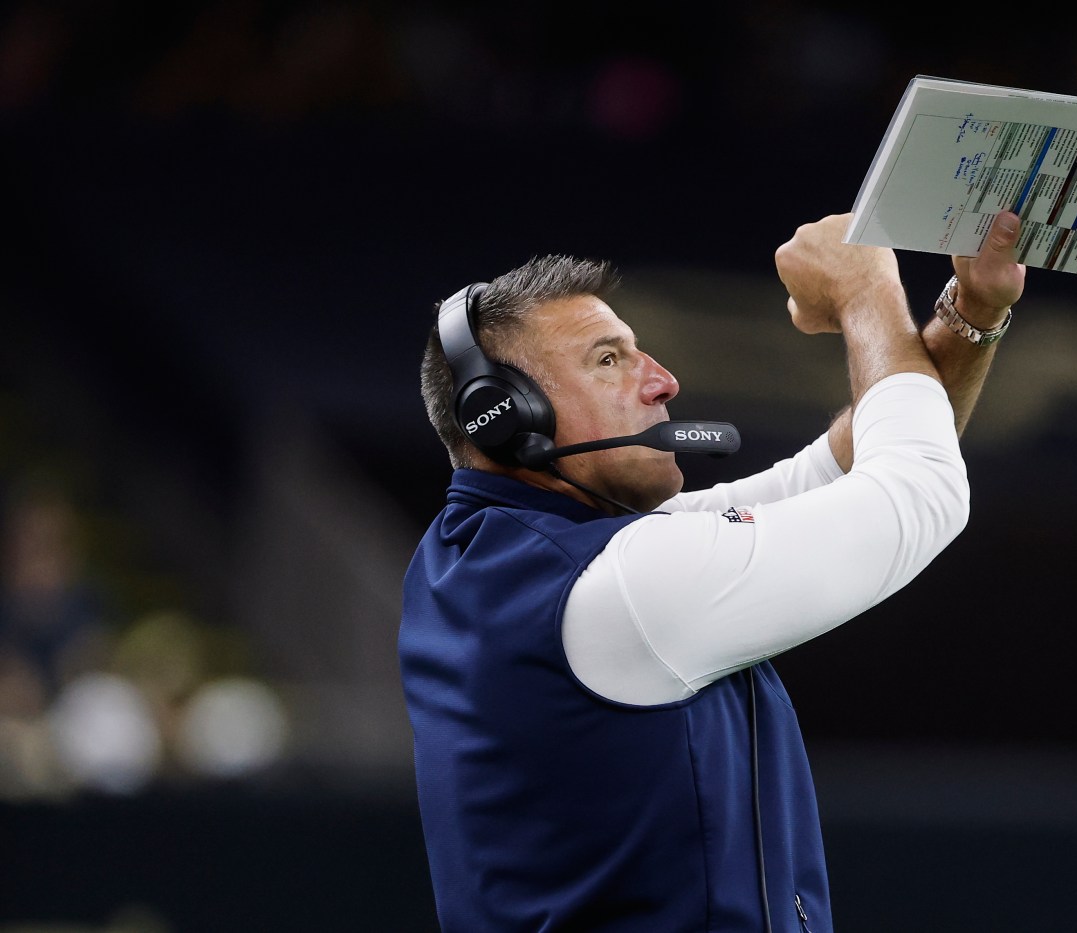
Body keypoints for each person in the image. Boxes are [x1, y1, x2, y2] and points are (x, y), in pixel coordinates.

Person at [399, 209, 1026, 932]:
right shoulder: (620, 584)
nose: (664, 382)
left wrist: (971, 315)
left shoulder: (509, 556)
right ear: (507, 416)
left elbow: (857, 462)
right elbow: (920, 491)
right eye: (608, 360)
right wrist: (865, 289)